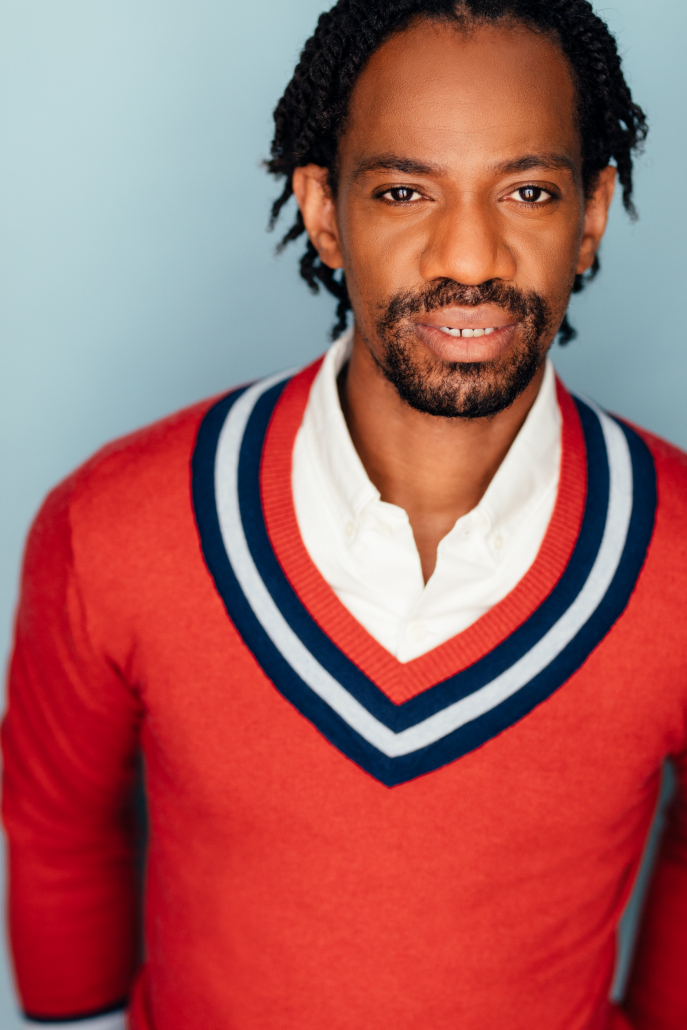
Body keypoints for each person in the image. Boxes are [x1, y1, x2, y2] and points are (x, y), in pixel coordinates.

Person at [3, 1, 685, 1028]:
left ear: (590, 215)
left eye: (530, 190)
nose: (470, 254)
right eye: (405, 190)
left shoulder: (675, 555)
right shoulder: (114, 525)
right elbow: (56, 820)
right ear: (325, 210)